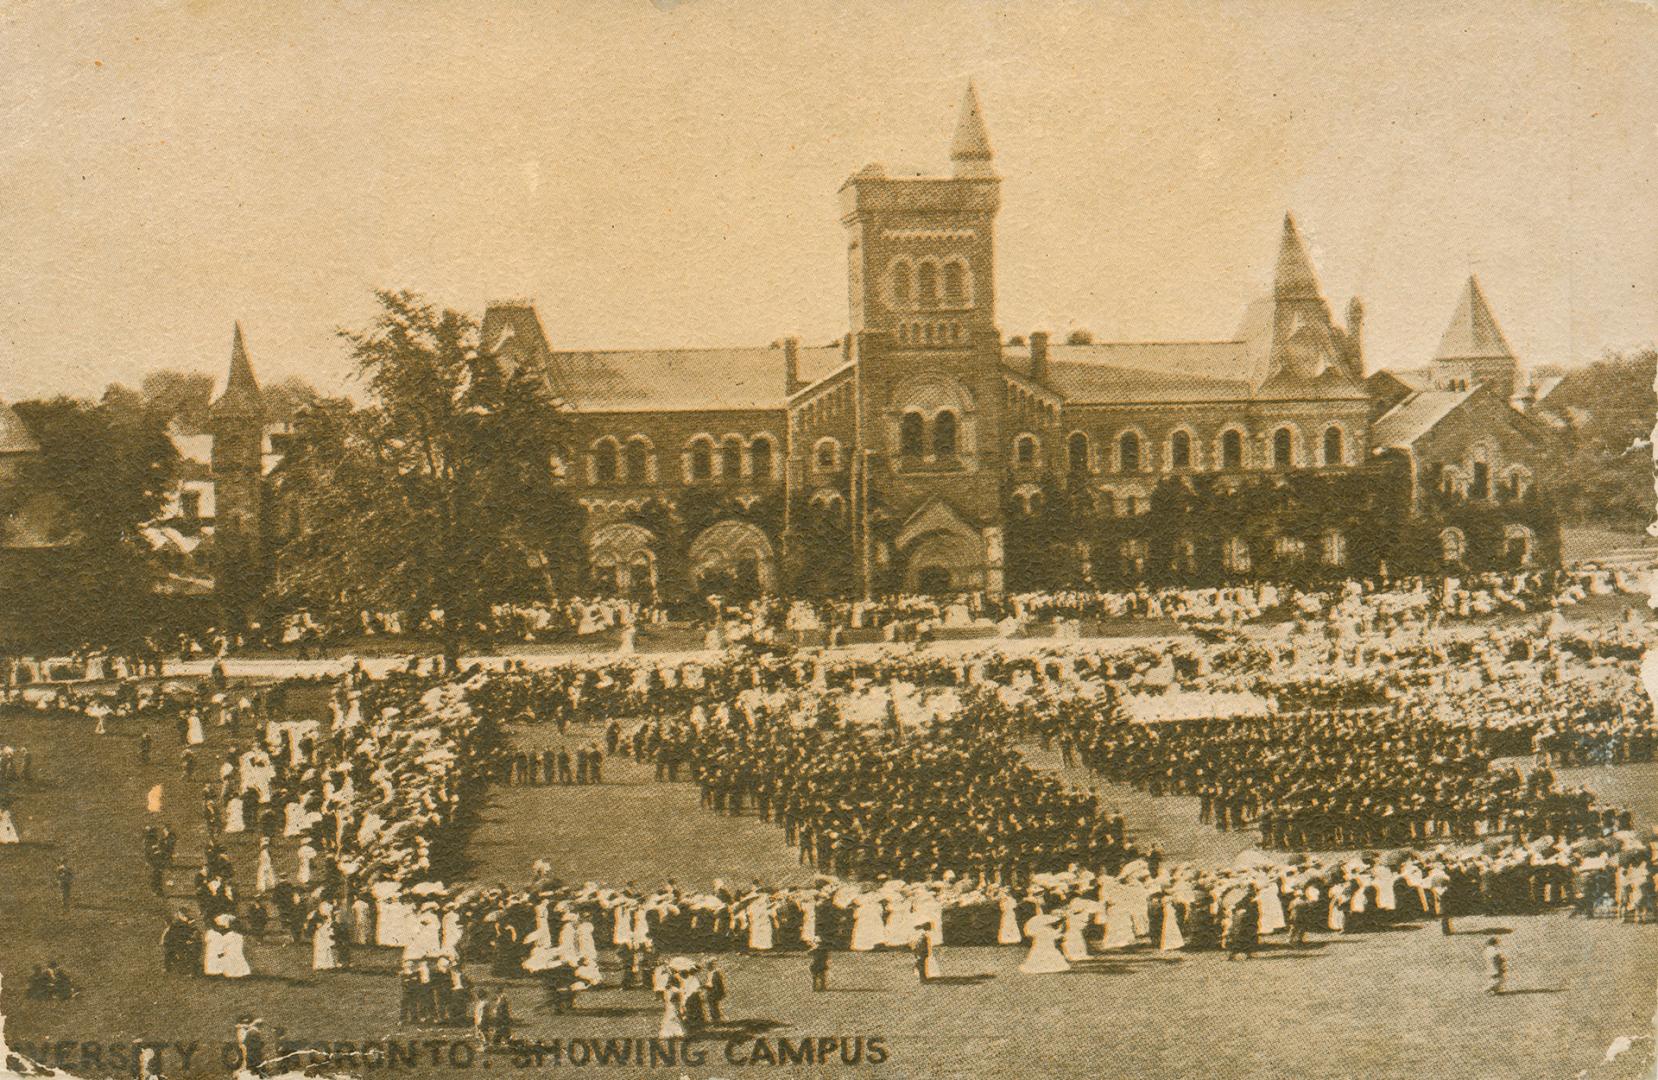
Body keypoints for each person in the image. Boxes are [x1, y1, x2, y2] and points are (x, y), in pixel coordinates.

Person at [703, 958, 727, 1022]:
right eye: (707, 965)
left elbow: (718, 983)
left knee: (714, 1006)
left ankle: (718, 1019)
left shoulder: (716, 972)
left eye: (708, 965)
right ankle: (715, 1019)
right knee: (712, 1006)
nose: (707, 967)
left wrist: (720, 992)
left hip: (715, 991)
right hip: (711, 991)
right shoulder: (710, 973)